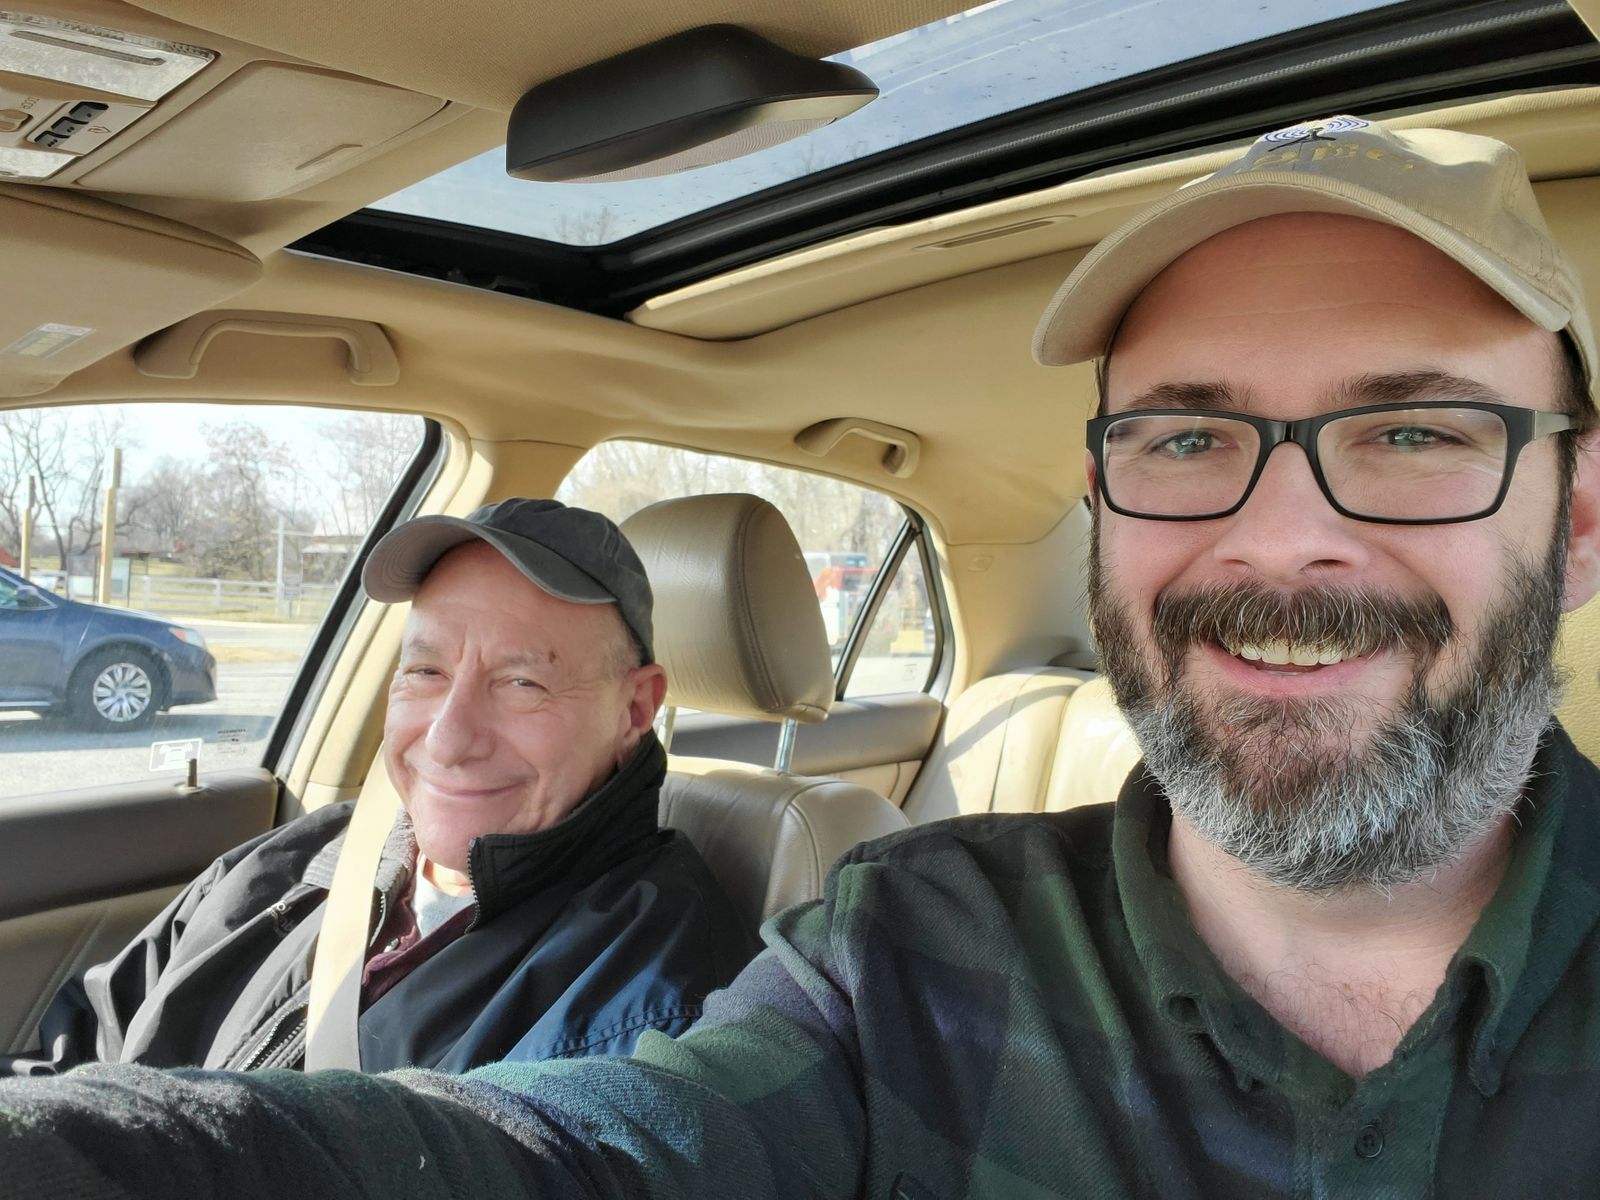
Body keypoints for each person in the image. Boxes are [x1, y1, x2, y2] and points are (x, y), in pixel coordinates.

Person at [4, 116, 1600, 1198]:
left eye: (1414, 432)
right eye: (1187, 438)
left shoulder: (662, 928)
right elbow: (592, 1152)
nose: (1280, 538)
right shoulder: (906, 949)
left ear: (1580, 523)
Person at [1, 498, 757, 1076]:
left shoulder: (654, 1013)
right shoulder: (301, 859)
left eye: (522, 682)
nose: (447, 738)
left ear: (635, 710)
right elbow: (90, 1041)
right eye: (425, 670)